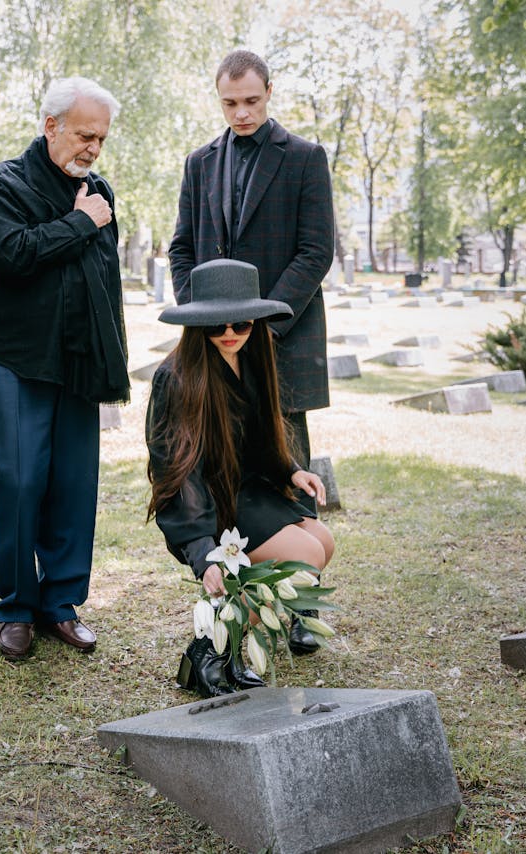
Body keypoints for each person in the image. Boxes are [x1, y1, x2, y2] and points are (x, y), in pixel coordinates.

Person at [0, 77, 129, 663]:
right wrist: (82, 222)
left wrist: (109, 355)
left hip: (78, 359)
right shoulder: (1, 184)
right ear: (51, 127)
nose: (92, 148)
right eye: (85, 135)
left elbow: (105, 280)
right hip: (15, 357)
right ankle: (15, 608)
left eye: (101, 139)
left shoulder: (99, 189)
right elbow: (11, 256)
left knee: (73, 484)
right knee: (18, 479)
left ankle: (60, 604)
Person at [146, 259, 335, 698]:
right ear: (197, 325)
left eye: (243, 322)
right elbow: (177, 473)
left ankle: (222, 649)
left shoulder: (253, 356)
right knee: (305, 556)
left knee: (322, 542)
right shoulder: (176, 378)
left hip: (246, 489)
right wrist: (201, 551)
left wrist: (293, 470)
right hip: (205, 503)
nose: (231, 332)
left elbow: (262, 437)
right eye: (217, 325)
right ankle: (208, 651)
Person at [168, 49, 335, 528]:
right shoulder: (199, 163)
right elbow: (181, 249)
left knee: (290, 471)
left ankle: (299, 598)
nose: (241, 112)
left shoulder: (305, 157)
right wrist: (203, 318)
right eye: (229, 103)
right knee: (222, 472)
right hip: (214, 347)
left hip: (283, 342)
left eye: (250, 101)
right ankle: (233, 595)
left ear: (269, 93)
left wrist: (260, 323)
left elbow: (316, 251)